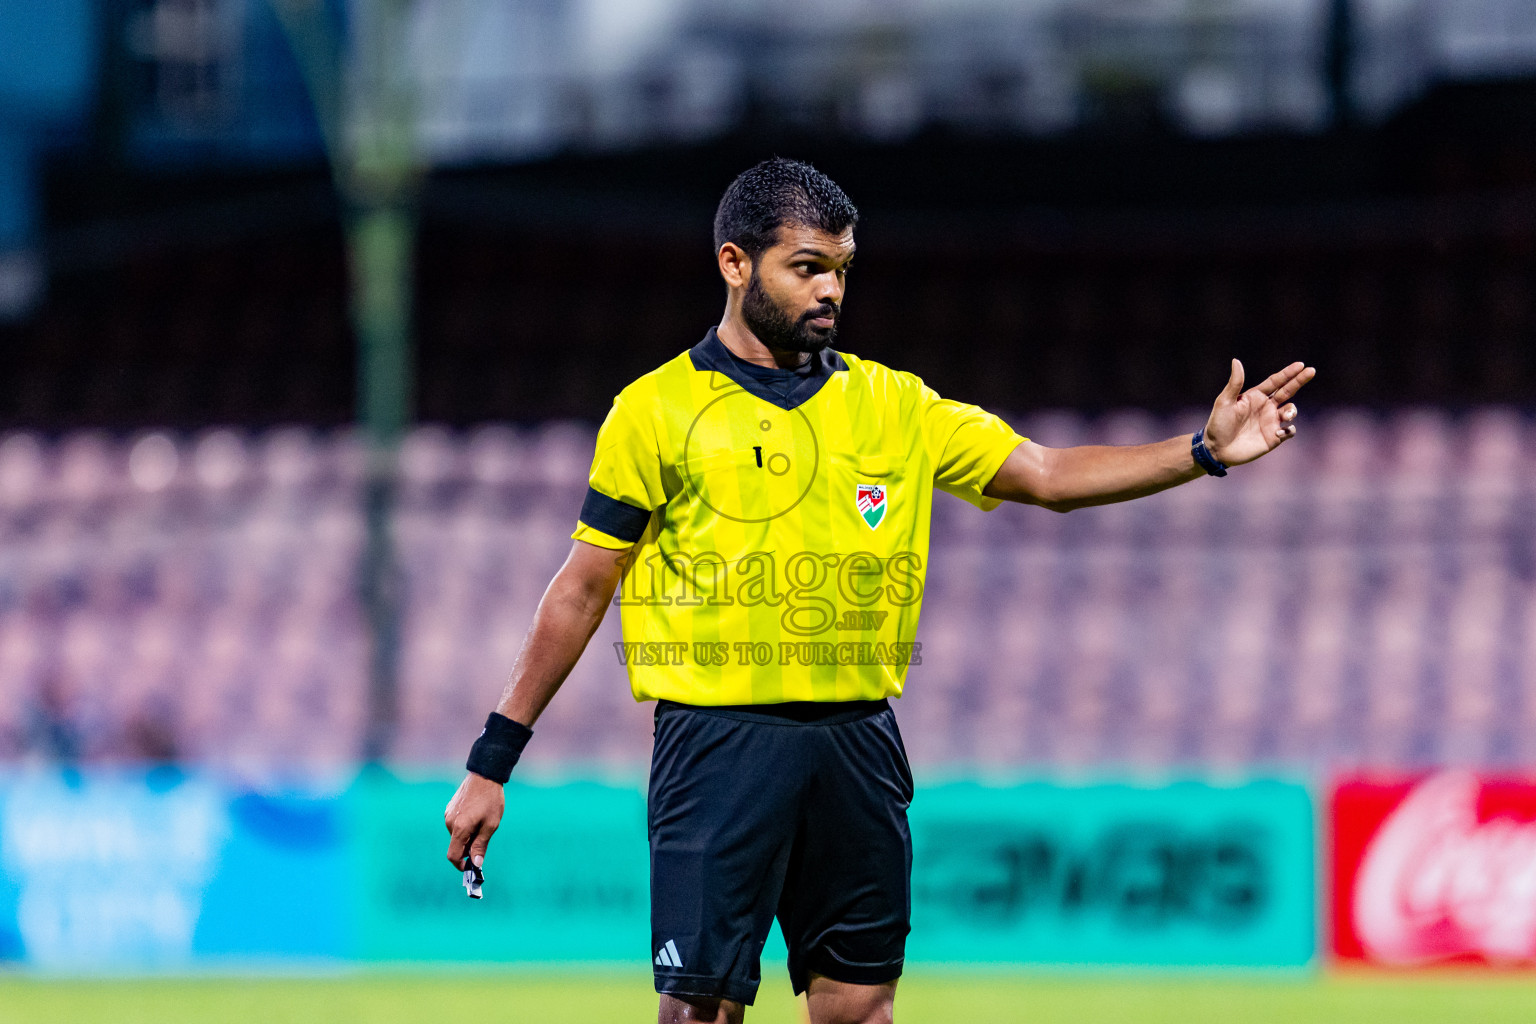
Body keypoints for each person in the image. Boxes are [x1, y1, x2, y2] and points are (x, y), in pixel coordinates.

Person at [444, 157, 1315, 1024]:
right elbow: (582, 589)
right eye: (808, 267)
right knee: (699, 1014)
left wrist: (1199, 454)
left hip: (857, 743)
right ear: (735, 263)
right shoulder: (654, 411)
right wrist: (493, 761)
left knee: (862, 1010)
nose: (831, 291)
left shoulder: (897, 405)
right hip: (717, 745)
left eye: (843, 271)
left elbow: (1046, 474)